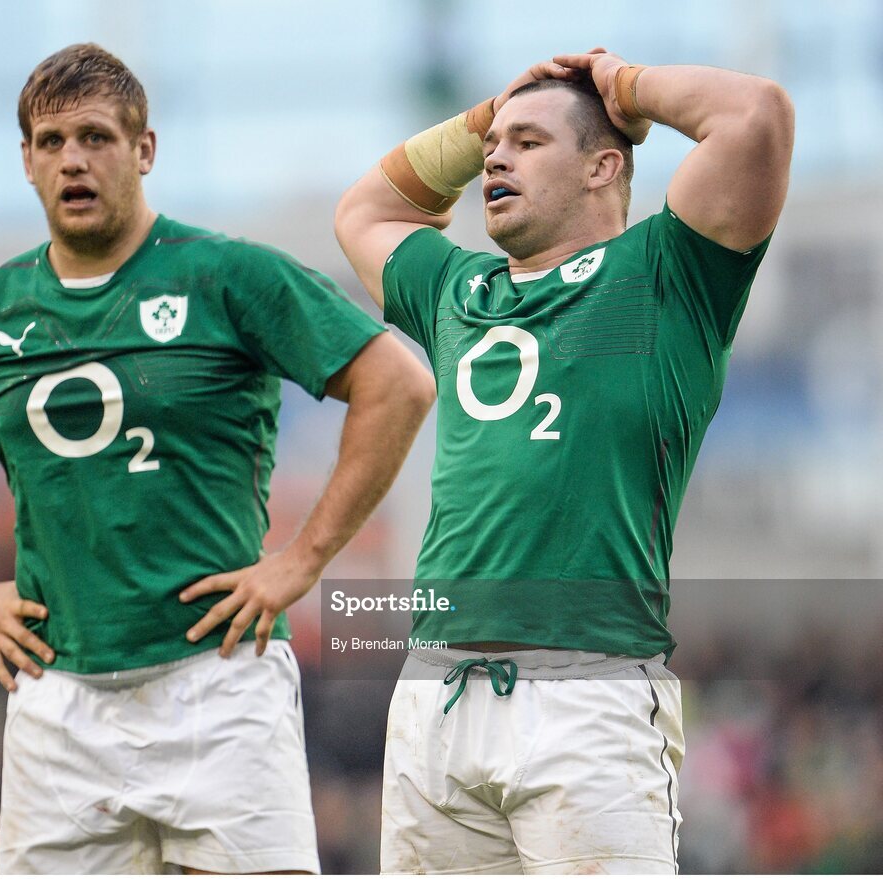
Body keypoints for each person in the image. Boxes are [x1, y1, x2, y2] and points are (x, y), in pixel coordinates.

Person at [0, 43, 435, 875]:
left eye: (97, 137)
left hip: (220, 686)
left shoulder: (226, 276)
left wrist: (301, 561)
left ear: (144, 150)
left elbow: (397, 383)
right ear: (27, 161)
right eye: (51, 140)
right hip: (58, 699)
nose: (73, 158)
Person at [336, 48, 793, 873]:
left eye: (528, 141)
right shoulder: (457, 292)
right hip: (435, 692)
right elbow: (366, 213)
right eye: (491, 148)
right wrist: (481, 118)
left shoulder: (667, 274)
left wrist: (626, 86)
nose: (496, 159)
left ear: (603, 166)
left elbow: (756, 117)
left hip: (590, 695)